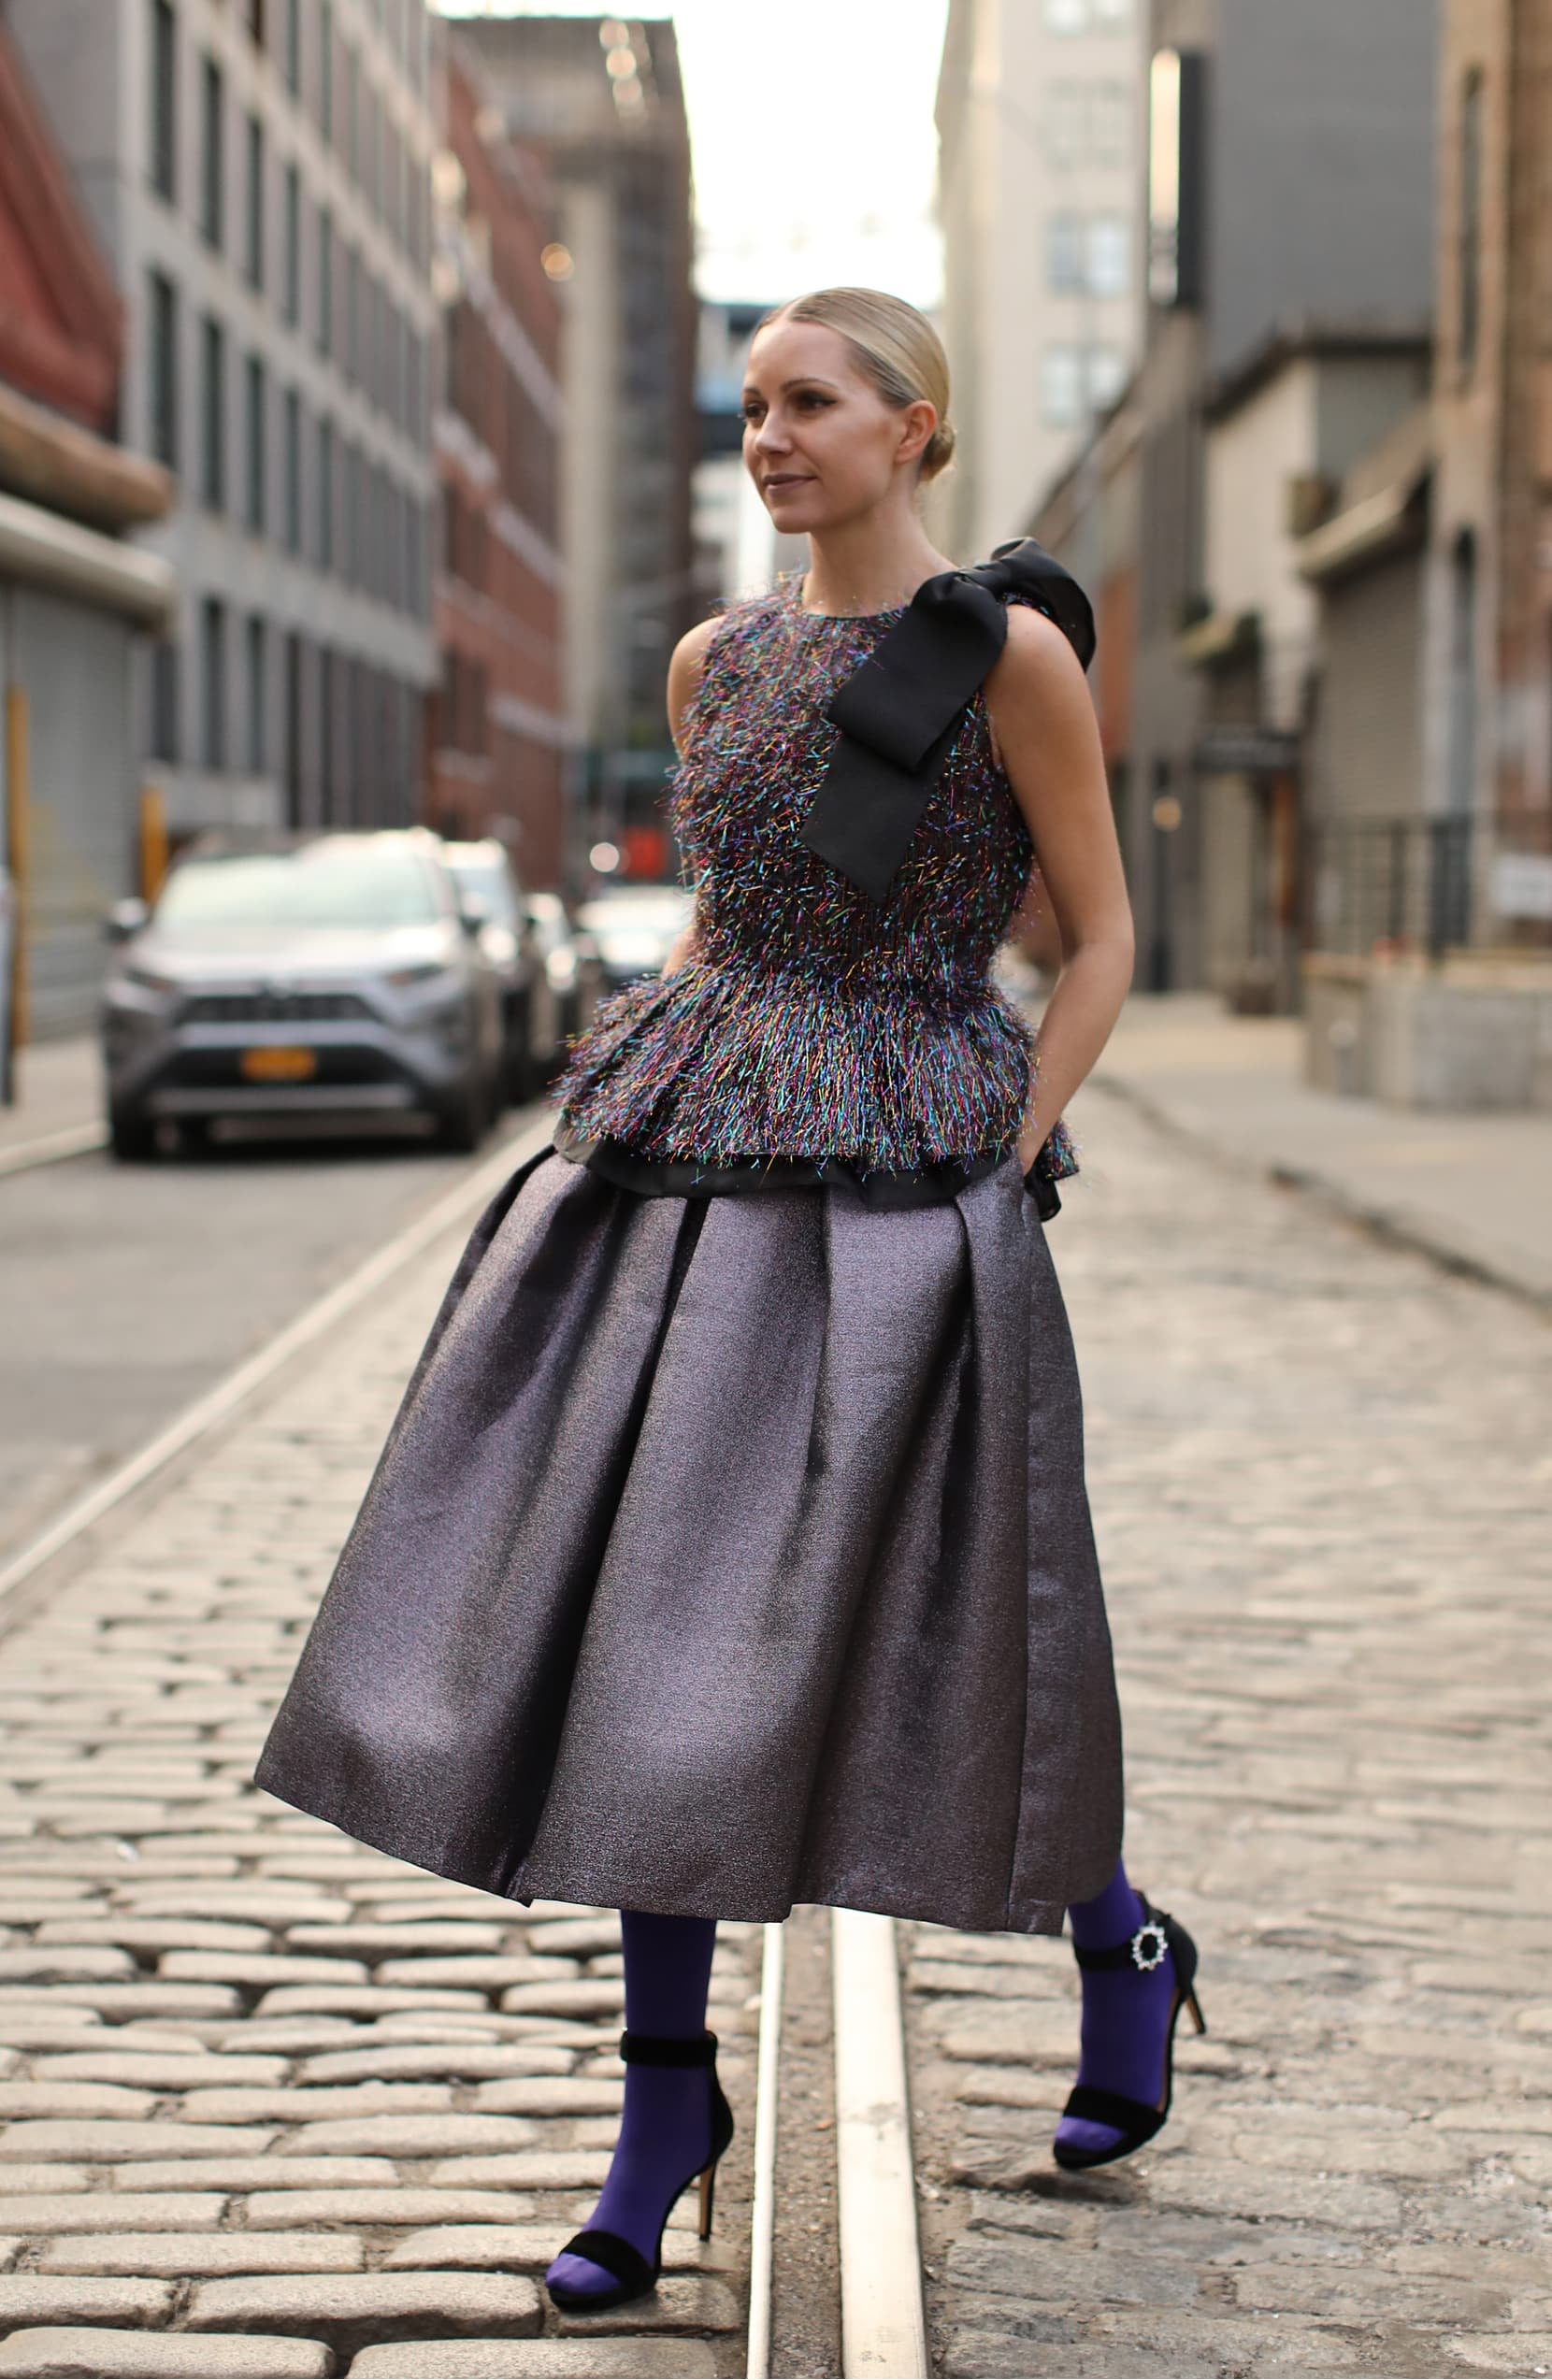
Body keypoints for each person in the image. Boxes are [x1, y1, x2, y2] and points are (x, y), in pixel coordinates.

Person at [254, 285, 1204, 2315]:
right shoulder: (713, 661)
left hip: (907, 1172)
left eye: (812, 404)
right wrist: (649, 1052)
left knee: (936, 1625)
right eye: (753, 406)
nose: (768, 436)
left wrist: (1010, 1145)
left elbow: (1102, 937)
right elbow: (731, 907)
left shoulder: (1009, 654)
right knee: (645, 1617)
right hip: (695, 1144)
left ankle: (1115, 1939)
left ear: (913, 432)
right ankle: (659, 2098)